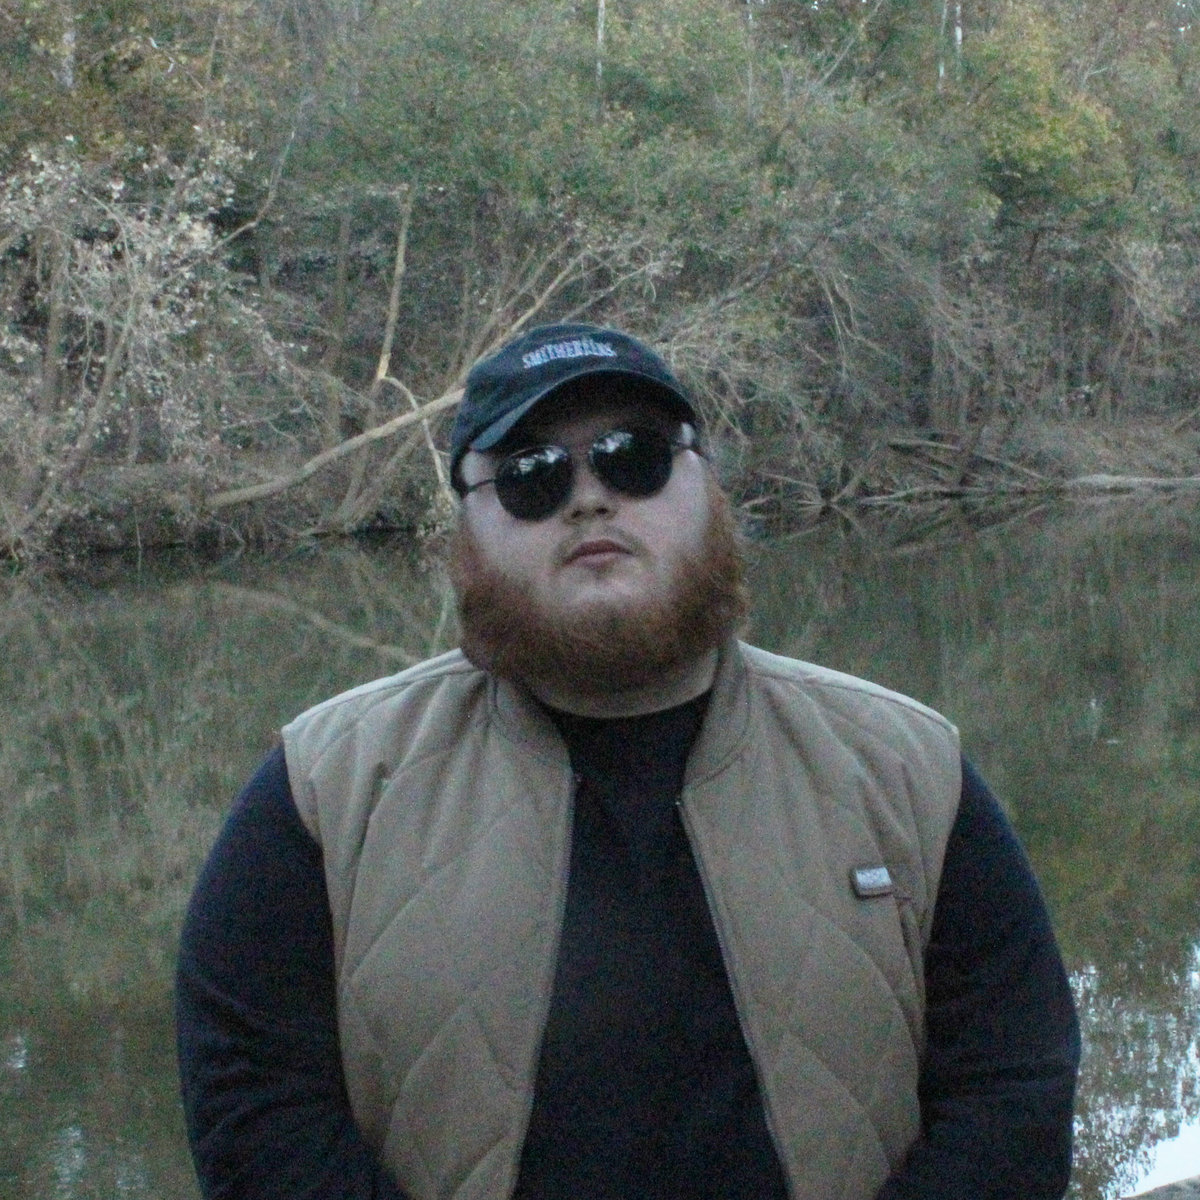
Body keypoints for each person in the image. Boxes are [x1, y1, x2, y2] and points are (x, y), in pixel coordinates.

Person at [175, 322, 1081, 1200]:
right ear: (465, 533)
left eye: (633, 457)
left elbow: (1012, 1088)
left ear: (709, 488)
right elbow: (255, 1108)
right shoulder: (323, 789)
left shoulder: (907, 767)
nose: (589, 498)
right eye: (531, 476)